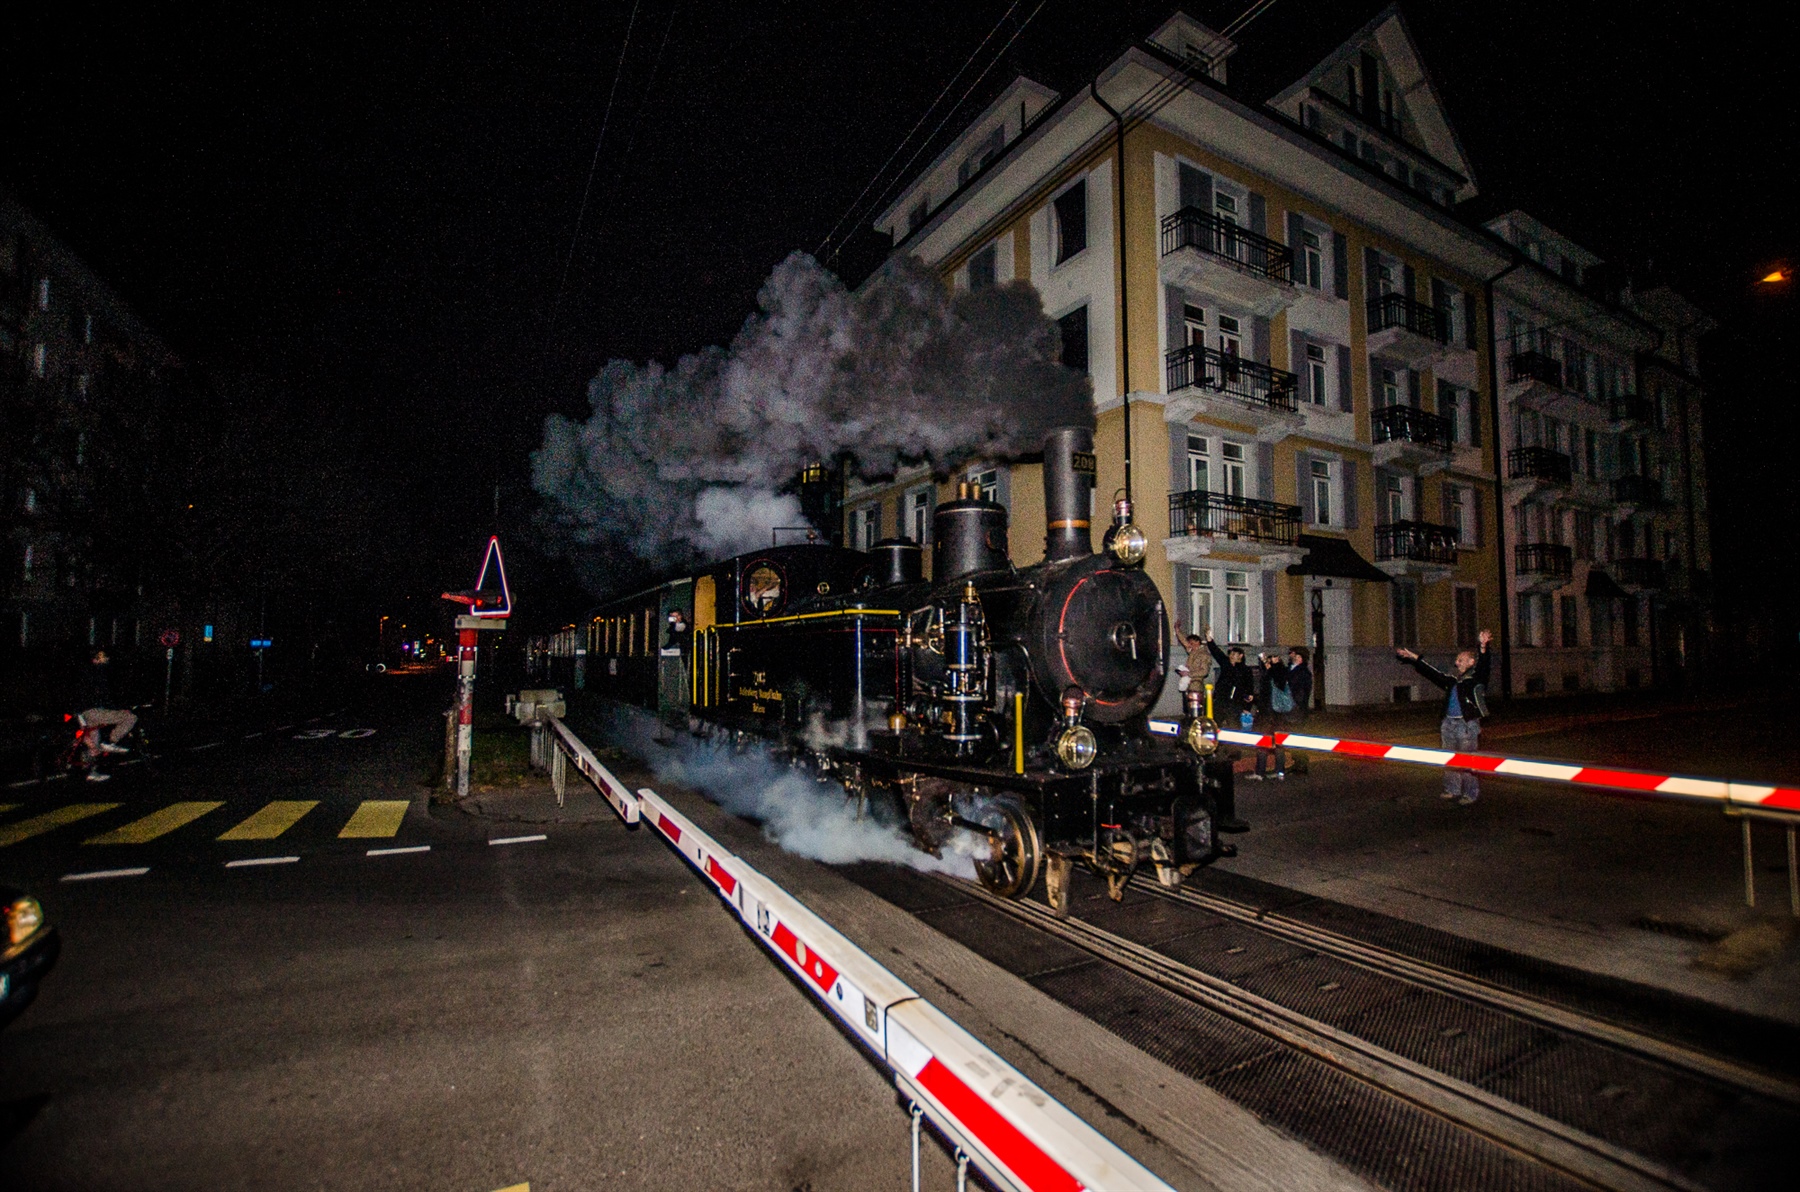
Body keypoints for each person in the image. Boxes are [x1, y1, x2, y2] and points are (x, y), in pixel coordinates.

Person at [1396, 630, 1493, 805]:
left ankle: (1470, 793)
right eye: (1457, 660)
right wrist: (1413, 657)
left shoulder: (1476, 679)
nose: (1456, 663)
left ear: (1471, 662)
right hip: (1448, 723)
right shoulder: (1453, 681)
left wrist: (1483, 646)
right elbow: (1433, 673)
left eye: (1460, 660)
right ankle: (1452, 789)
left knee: (1467, 760)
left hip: (1466, 725)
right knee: (1449, 758)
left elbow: (1485, 665)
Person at [1252, 647, 1312, 780]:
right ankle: (1286, 768)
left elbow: (1295, 689)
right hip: (1284, 711)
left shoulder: (1302, 672)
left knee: (1293, 739)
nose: (1290, 656)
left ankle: (1300, 765)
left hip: (1293, 711)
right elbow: (1280, 679)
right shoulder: (1290, 669)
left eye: (1293, 654)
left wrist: (1295, 706)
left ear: (1299, 657)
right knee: (1282, 739)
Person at [77, 648, 135, 781]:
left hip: (84, 711)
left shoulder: (85, 672)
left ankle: (92, 771)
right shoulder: (98, 672)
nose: (106, 660)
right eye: (103, 657)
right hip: (93, 711)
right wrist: (119, 709)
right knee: (130, 717)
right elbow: (105, 696)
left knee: (94, 742)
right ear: (95, 660)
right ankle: (110, 741)